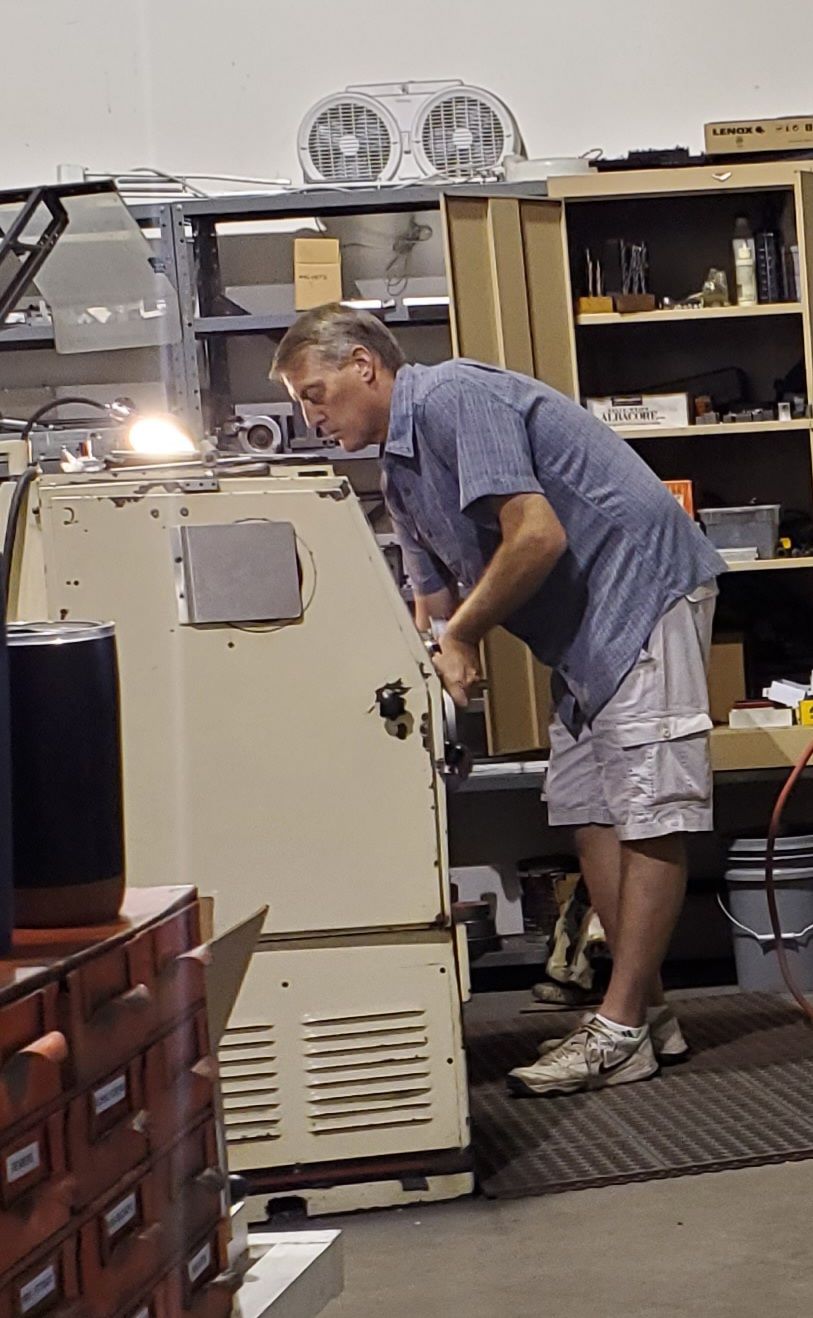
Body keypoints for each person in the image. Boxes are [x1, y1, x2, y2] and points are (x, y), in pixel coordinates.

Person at [272, 303, 726, 1100]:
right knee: (589, 806)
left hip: (642, 595)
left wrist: (465, 636)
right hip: (579, 636)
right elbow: (430, 602)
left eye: (314, 393)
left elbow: (536, 536)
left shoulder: (452, 398)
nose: (310, 417)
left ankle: (616, 1028)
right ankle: (645, 1017)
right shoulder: (398, 472)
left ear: (363, 366)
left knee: (650, 808)